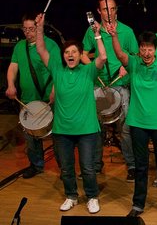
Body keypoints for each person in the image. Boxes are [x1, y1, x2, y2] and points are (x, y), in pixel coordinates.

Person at [35, 13, 106, 213]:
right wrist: (39, 28)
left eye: (74, 52)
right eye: (67, 52)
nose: (70, 55)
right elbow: (41, 49)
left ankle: (92, 196)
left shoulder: (88, 71)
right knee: (66, 168)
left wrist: (98, 35)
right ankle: (71, 196)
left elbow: (103, 57)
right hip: (62, 130)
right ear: (64, 56)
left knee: (87, 168)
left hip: (86, 130)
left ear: (80, 54)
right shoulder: (57, 70)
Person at [110, 30, 157, 219]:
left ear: (155, 49)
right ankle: (138, 205)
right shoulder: (134, 64)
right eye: (143, 48)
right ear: (139, 49)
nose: (146, 53)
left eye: (150, 49)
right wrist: (114, 35)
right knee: (141, 166)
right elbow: (120, 55)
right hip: (138, 122)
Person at [81, 0, 138, 181]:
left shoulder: (127, 32)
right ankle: (96, 165)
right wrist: (92, 69)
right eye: (105, 9)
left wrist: (127, 68)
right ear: (99, 11)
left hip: (120, 85)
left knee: (126, 128)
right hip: (99, 85)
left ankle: (132, 166)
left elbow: (136, 57)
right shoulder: (92, 31)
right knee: (95, 128)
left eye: (113, 9)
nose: (109, 12)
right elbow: (83, 53)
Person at [6, 12, 60, 179]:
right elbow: (13, 67)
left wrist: (54, 90)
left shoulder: (50, 45)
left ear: (38, 27)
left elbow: (59, 71)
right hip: (28, 99)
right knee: (31, 137)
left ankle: (63, 167)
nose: (28, 32)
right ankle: (36, 165)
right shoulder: (19, 47)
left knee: (57, 135)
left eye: (32, 28)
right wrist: (10, 84)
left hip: (49, 98)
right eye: (25, 29)